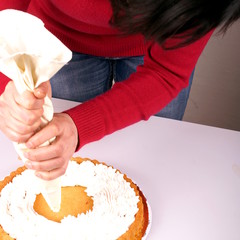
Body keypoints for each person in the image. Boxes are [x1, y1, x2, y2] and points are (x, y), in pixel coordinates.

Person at [0, 0, 240, 181]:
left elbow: (167, 73)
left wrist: (79, 126)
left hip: (158, 43)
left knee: (153, 163)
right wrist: (6, 85)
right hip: (56, 41)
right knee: (60, 162)